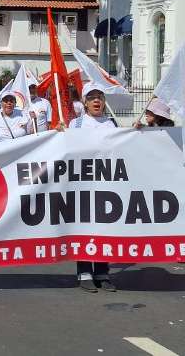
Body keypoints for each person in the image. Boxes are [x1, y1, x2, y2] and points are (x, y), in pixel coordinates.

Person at [68, 83, 117, 293]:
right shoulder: (75, 124)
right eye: (92, 98)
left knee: (104, 228)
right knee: (84, 228)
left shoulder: (112, 125)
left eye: (100, 97)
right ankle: (85, 272)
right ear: (85, 103)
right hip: (82, 184)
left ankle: (102, 272)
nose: (97, 101)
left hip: (106, 183)